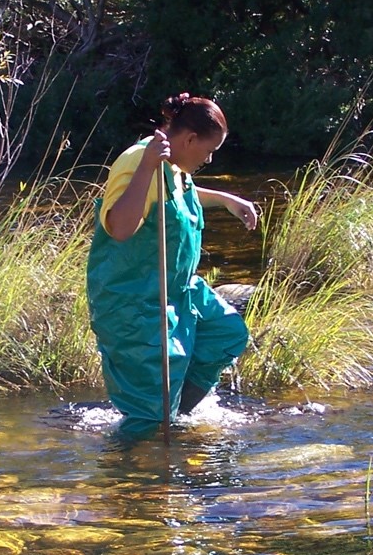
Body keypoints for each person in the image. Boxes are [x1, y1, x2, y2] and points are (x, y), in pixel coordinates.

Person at [87, 93, 260, 439]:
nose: (209, 159)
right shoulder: (139, 160)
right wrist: (148, 166)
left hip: (177, 290)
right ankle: (131, 469)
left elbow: (176, 199)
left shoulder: (176, 166)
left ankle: (177, 416)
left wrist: (226, 199)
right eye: (208, 151)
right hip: (133, 302)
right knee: (149, 412)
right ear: (190, 139)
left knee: (226, 333)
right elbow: (120, 227)